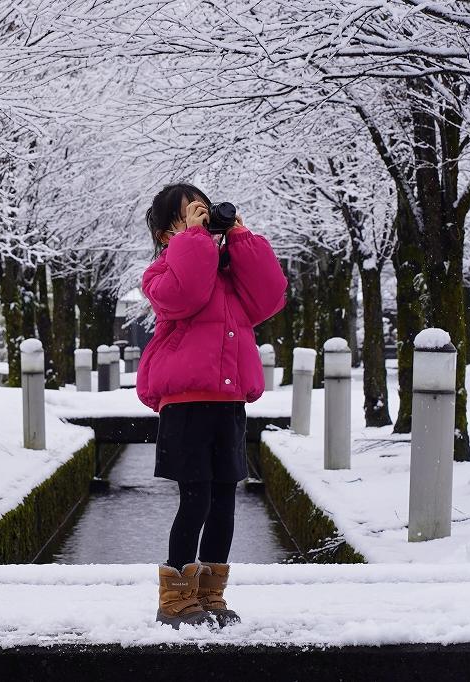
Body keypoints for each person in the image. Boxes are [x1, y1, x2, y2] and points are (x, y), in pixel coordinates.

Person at [135, 183, 288, 629]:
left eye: (206, 212)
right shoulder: (162, 274)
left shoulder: (229, 276)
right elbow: (186, 294)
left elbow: (270, 295)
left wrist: (239, 237)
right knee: (196, 497)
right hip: (186, 403)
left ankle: (211, 594)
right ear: (167, 234)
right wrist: (195, 242)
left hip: (229, 400)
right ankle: (175, 596)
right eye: (190, 215)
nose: (203, 221)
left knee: (224, 500)